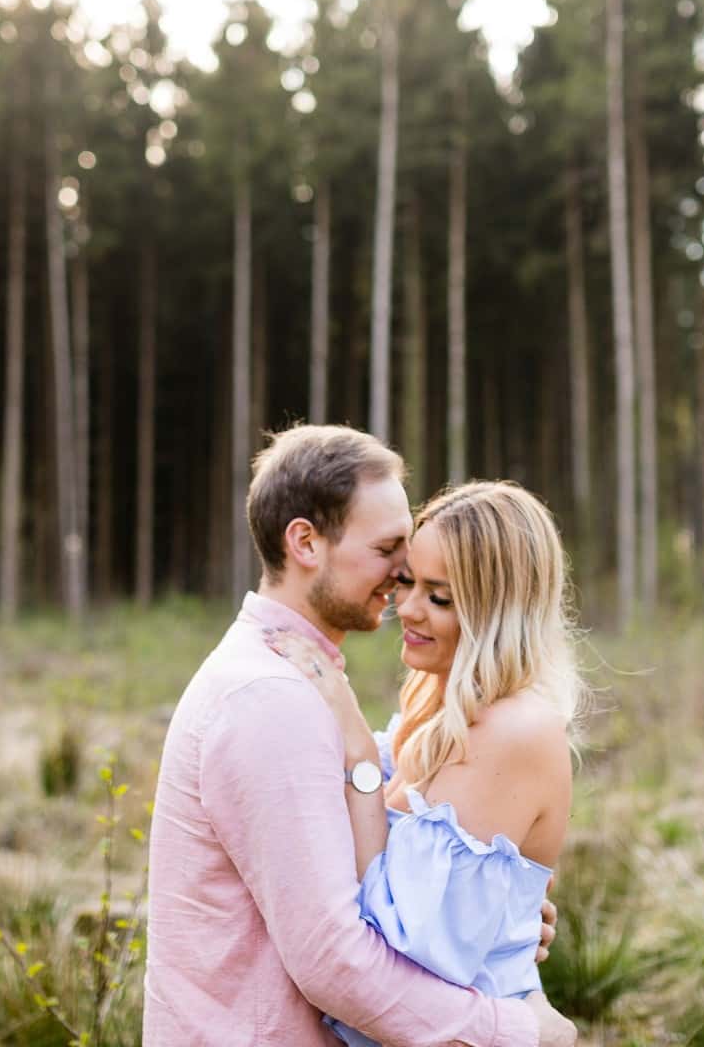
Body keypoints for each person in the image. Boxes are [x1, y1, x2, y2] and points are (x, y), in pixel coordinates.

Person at [145, 425, 577, 1046]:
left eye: (436, 588)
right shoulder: (273, 699)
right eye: (388, 549)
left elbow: (397, 893)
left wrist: (492, 911)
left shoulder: (296, 683)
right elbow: (337, 959)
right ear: (306, 543)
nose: (403, 577)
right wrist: (514, 1030)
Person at [264, 480, 583, 1047]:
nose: (405, 609)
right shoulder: (438, 707)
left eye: (440, 597)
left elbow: (401, 943)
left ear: (496, 613)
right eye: (407, 581)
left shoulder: (515, 730)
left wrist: (356, 746)